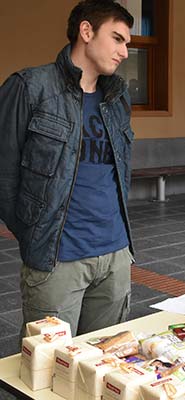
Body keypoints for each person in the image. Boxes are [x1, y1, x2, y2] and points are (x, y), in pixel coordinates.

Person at [0, 0, 136, 337]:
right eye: (117, 39)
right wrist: (34, 233)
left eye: (127, 44)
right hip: (58, 259)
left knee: (104, 366)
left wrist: (120, 249)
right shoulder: (30, 87)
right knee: (46, 372)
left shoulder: (117, 98)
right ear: (86, 31)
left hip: (116, 254)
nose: (125, 52)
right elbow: (3, 176)